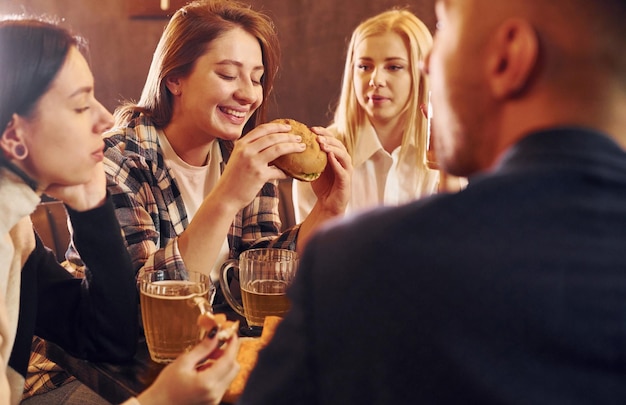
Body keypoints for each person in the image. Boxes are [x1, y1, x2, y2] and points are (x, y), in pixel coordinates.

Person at [239, 0, 626, 403]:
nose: (427, 65)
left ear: (510, 57)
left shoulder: (359, 257)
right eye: (366, 65)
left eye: (444, 28)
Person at [0, 16, 238, 405]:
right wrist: (161, 401)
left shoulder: (14, 228)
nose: (105, 118)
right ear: (14, 136)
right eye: (80, 105)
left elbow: (106, 340)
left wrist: (92, 207)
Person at [84, 0, 351, 294]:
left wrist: (326, 210)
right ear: (174, 78)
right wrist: (226, 198)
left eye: (257, 79)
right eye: (227, 75)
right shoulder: (115, 161)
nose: (249, 94)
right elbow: (139, 303)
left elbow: (258, 275)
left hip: (229, 337)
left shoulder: (246, 157)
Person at [293, 8, 462, 223]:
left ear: (421, 73)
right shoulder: (321, 154)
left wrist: (448, 170)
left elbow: (461, 243)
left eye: (394, 67)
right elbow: (309, 251)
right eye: (364, 66)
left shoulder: (450, 150)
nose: (376, 79)